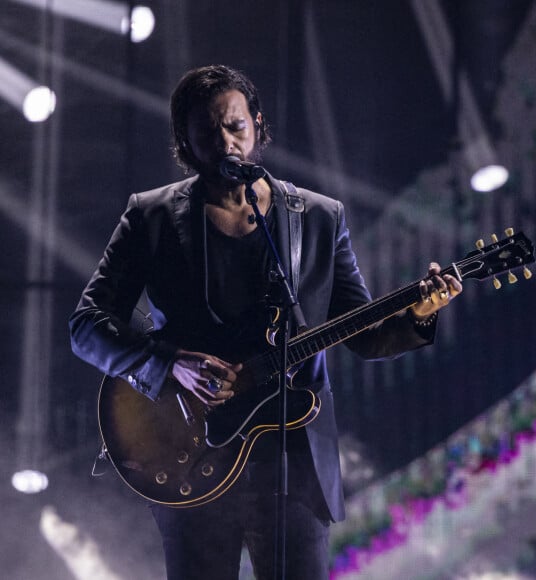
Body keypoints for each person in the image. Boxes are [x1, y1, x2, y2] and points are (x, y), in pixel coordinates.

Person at [69, 64, 462, 580]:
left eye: (235, 126)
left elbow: (363, 336)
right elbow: (86, 326)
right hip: (190, 455)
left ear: (257, 124)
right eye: (208, 132)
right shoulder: (152, 216)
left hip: (294, 464)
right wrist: (168, 365)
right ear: (185, 142)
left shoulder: (320, 218)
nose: (225, 142)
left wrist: (418, 315)